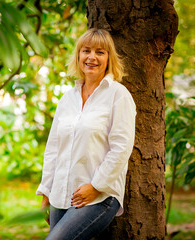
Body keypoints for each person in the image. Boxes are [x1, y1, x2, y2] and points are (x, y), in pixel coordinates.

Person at [36, 28, 136, 240]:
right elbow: (53, 148)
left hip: (99, 196)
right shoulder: (67, 99)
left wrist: (96, 186)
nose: (92, 57)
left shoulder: (118, 95)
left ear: (109, 58)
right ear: (78, 56)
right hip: (60, 195)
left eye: (100, 52)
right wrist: (46, 193)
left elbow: (121, 147)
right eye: (86, 50)